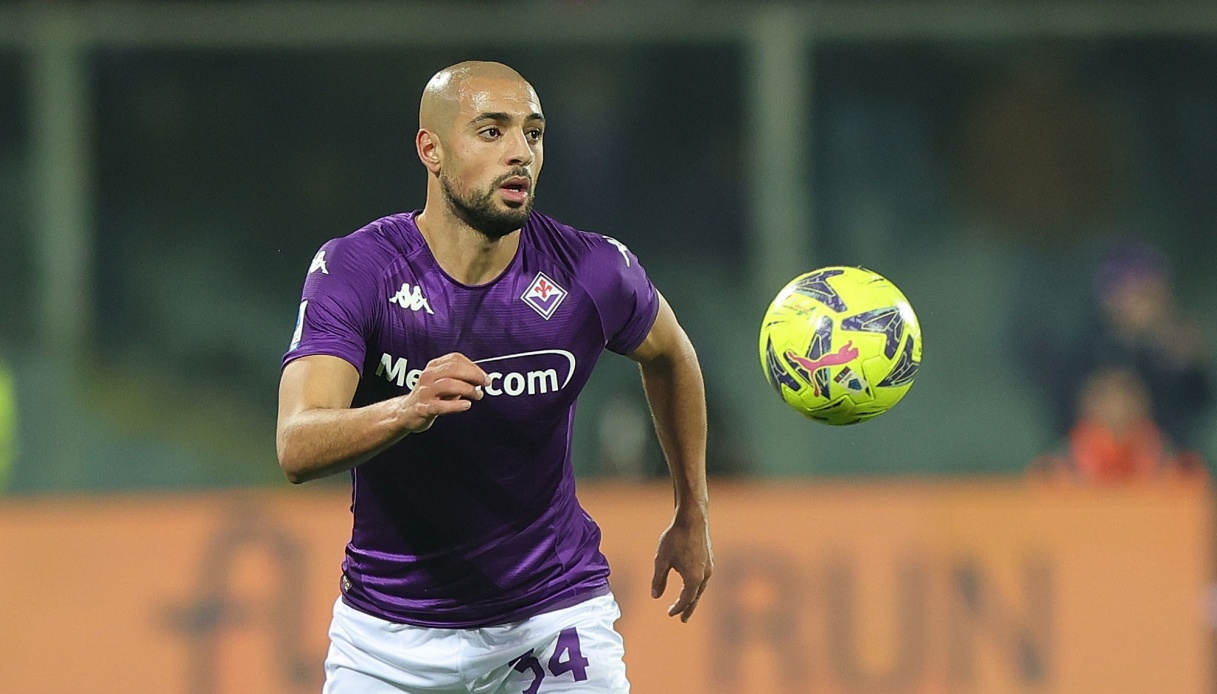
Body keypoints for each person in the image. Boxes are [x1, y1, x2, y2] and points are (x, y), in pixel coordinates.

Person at [276, 61, 713, 693]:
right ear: (431, 150)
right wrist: (406, 410)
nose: (520, 154)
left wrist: (692, 511)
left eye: (533, 134)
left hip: (551, 620)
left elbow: (672, 356)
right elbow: (296, 444)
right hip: (387, 641)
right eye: (492, 131)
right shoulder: (359, 269)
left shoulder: (592, 272)